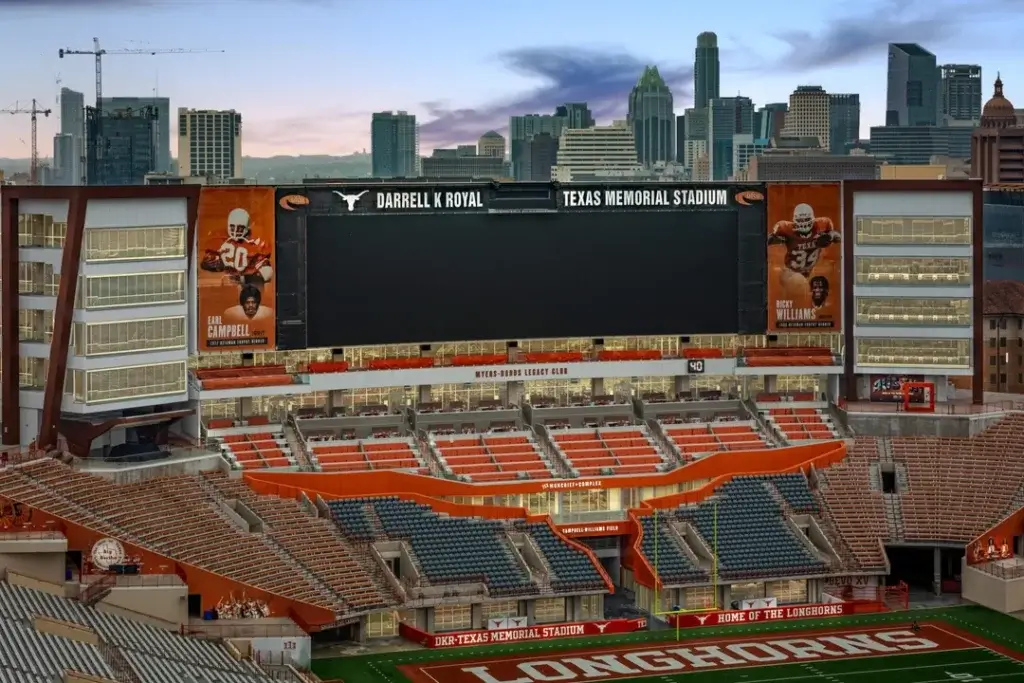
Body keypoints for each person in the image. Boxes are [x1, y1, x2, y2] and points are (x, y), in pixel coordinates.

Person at [768, 203, 840, 303]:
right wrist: (774, 239)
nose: (804, 223)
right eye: (801, 220)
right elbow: (768, 239)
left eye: (806, 220)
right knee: (797, 293)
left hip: (810, 270)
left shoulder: (821, 225)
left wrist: (830, 236)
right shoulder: (786, 228)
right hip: (791, 271)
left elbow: (839, 236)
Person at [200, 207, 274, 287]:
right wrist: (214, 262)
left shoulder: (256, 241)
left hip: (248, 278)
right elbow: (206, 263)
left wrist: (252, 276)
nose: (235, 231)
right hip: (229, 280)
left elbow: (266, 270)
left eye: (240, 228)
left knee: (267, 272)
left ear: (247, 227)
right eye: (232, 227)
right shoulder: (218, 238)